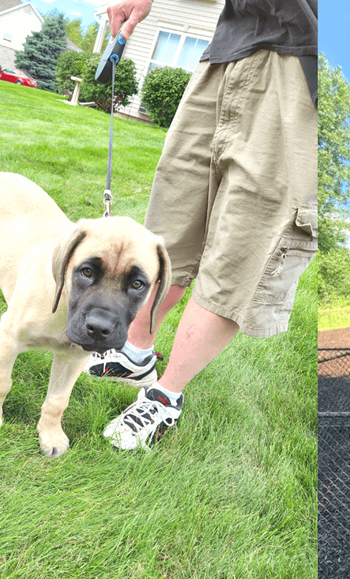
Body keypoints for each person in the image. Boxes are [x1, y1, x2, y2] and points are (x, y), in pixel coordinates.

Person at [90, 0, 318, 450]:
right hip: (227, 48)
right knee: (172, 225)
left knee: (245, 241)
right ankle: (136, 353)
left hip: (305, 60)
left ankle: (165, 395)